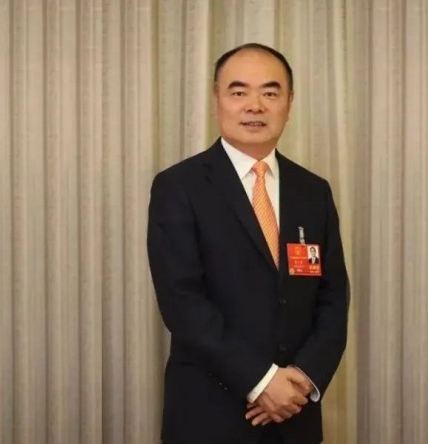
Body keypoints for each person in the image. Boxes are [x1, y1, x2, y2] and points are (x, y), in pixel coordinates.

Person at [147, 42, 350, 444]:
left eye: (270, 93)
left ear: (289, 103)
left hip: (295, 414)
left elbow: (332, 298)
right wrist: (261, 381)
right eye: (238, 92)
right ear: (216, 101)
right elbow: (182, 302)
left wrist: (302, 380)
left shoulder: (313, 191)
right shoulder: (179, 186)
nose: (254, 106)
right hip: (209, 415)